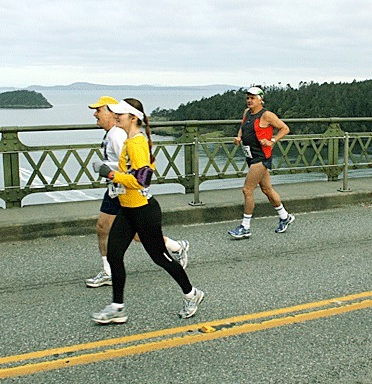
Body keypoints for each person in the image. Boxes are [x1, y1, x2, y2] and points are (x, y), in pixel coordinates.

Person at [91, 98, 204, 324]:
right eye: (114, 113)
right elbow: (141, 169)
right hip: (127, 208)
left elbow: (142, 180)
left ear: (133, 118)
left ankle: (192, 294)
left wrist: (110, 174)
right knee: (114, 254)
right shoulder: (131, 140)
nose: (115, 116)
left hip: (143, 211)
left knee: (161, 258)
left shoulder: (135, 143)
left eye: (120, 114)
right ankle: (117, 307)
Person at [228, 86, 295, 239]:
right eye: (248, 98)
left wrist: (272, 141)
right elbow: (242, 127)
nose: (249, 101)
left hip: (261, 157)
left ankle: (245, 227)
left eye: (252, 98)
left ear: (260, 99)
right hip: (250, 155)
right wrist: (239, 137)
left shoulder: (267, 115)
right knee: (267, 189)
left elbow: (284, 129)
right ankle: (285, 217)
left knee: (247, 190)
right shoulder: (247, 113)